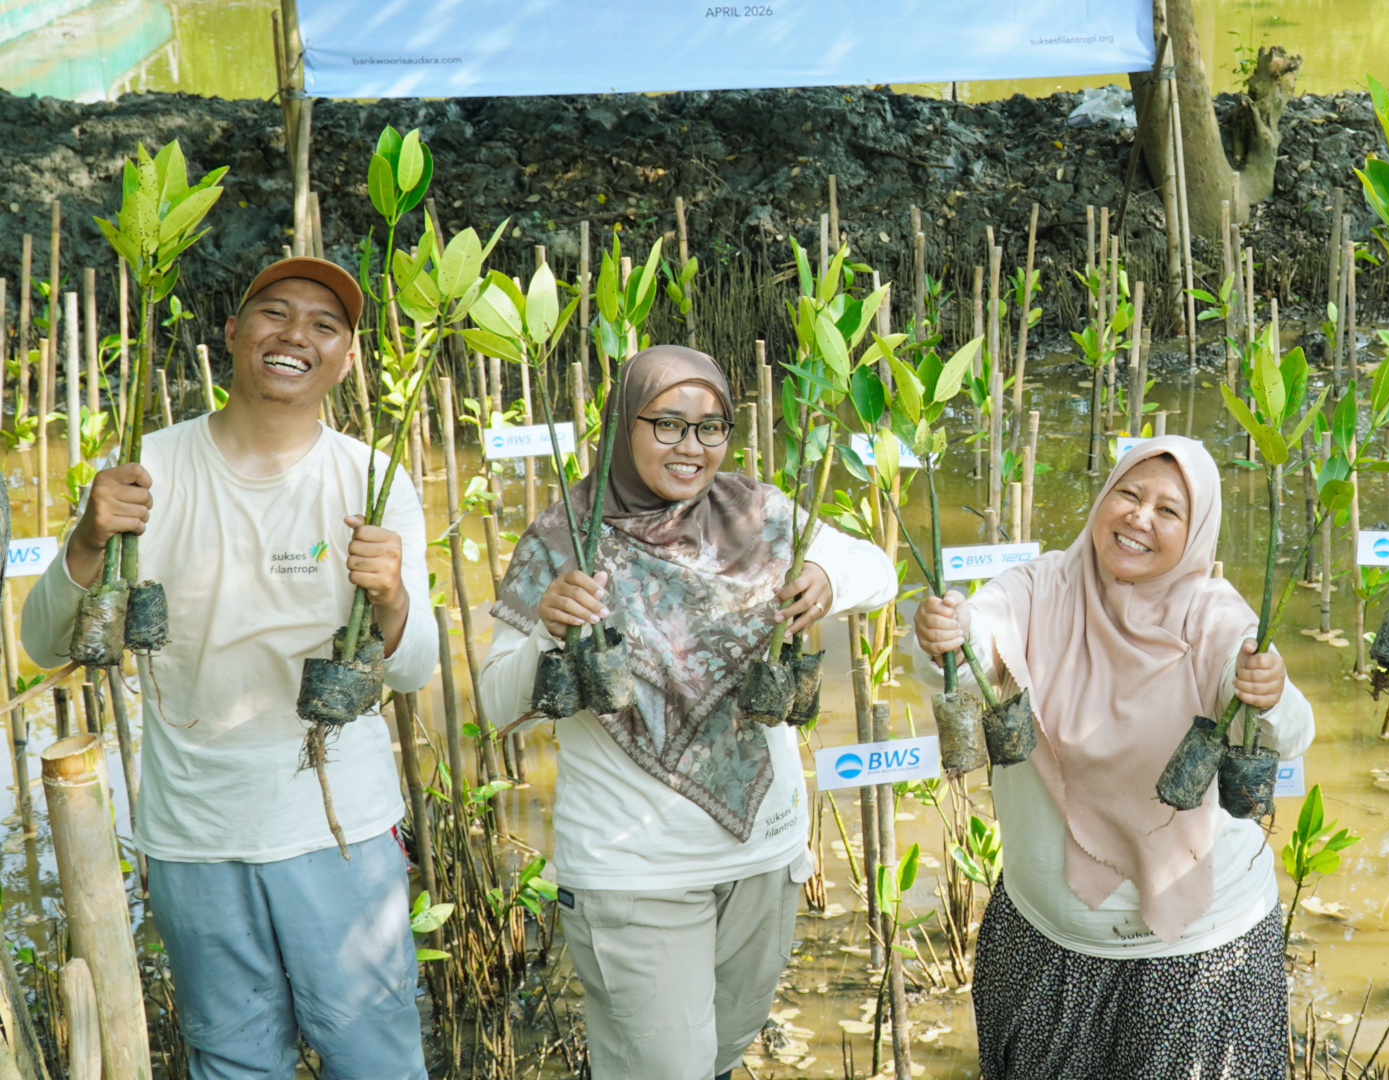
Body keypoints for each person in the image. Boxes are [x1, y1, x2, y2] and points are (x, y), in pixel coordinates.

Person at [26, 257, 433, 1079]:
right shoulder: (148, 467)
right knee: (232, 1059)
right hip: (193, 834)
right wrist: (88, 540)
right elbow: (43, 645)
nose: (295, 337)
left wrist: (391, 598)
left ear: (348, 359)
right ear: (233, 334)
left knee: (373, 1055)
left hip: (338, 829)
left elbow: (416, 668)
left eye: (325, 326)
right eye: (274, 314)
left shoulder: (369, 477)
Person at [482, 346, 894, 1080]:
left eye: (711, 428)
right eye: (667, 424)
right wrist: (548, 626)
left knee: (720, 1056)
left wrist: (828, 574)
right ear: (619, 426)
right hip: (633, 871)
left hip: (763, 852)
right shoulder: (563, 536)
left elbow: (879, 570)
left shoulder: (755, 511)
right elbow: (493, 703)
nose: (692, 447)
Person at [914, 435, 1310, 1080]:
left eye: (1168, 510)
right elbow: (973, 644)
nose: (1138, 517)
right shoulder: (1040, 586)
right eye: (1128, 493)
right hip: (1046, 944)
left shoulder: (1217, 617)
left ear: (1199, 529)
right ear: (1103, 497)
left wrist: (1269, 692)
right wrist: (944, 637)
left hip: (1200, 955)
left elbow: (1286, 732)